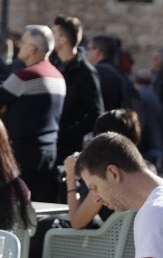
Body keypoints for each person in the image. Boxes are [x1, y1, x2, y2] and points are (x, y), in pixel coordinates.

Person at [28, 108, 142, 258]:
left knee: (39, 246)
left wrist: (72, 176)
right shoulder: (143, 170)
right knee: (57, 235)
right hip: (129, 256)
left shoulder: (109, 175)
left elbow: (78, 220)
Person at [0, 25, 66, 203]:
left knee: (14, 207)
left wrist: (7, 108)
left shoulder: (26, 76)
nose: (19, 45)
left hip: (22, 153)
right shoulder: (58, 76)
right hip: (50, 152)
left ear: (32, 49)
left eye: (23, 42)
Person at [51, 15, 104, 166]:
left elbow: (96, 114)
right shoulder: (52, 63)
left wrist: (66, 133)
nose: (50, 37)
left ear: (64, 39)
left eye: (54, 33)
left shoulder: (86, 72)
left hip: (67, 148)